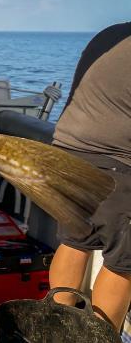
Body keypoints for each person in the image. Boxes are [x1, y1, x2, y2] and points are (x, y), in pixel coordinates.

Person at [49, 21, 131, 331]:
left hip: (68, 152)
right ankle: (102, 337)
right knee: (123, 262)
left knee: (75, 241)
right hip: (117, 162)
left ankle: (54, 327)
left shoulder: (110, 34)